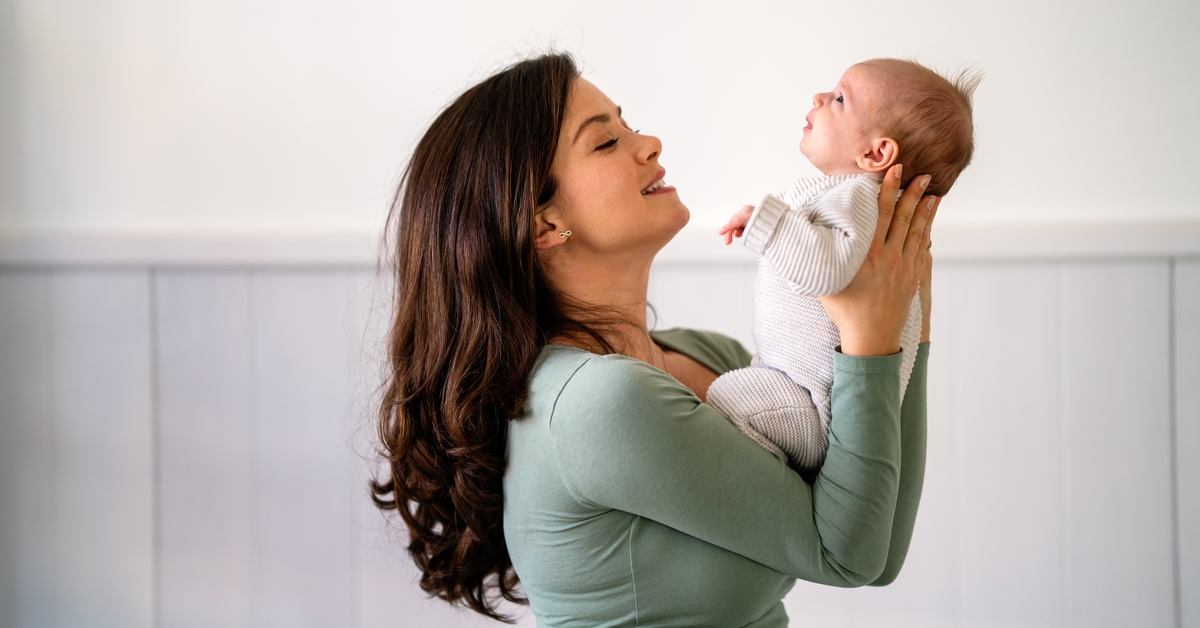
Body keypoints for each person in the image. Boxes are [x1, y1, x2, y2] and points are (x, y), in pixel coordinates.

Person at [371, 52, 937, 627]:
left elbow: (880, 545)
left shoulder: (708, 359)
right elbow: (848, 556)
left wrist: (909, 306)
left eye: (629, 124)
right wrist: (871, 337)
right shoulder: (598, 403)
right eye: (605, 142)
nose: (651, 143)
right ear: (543, 224)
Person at [711, 58, 976, 476]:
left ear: (875, 154)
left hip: (810, 406)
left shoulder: (857, 199)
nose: (818, 97)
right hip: (799, 390)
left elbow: (827, 271)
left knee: (724, 397)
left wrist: (769, 223)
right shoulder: (855, 201)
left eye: (838, 99)